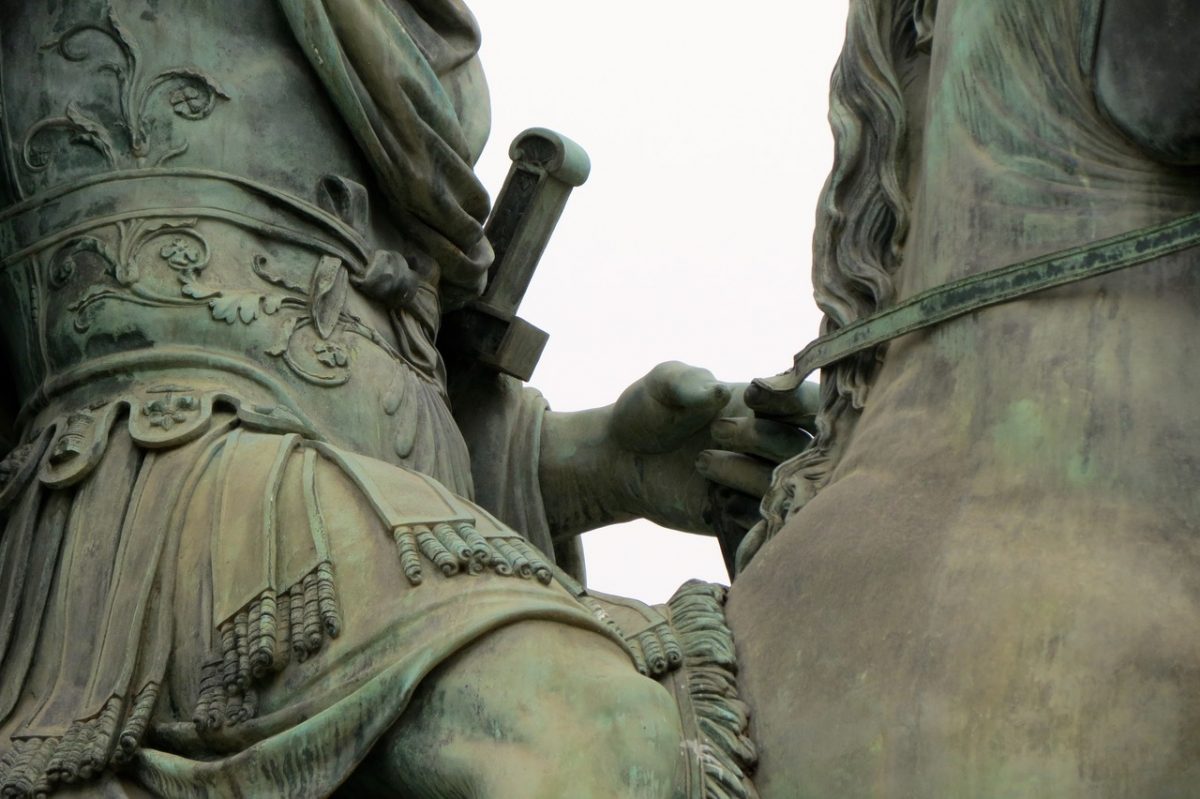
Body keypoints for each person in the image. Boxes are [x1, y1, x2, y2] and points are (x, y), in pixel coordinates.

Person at [0, 1, 804, 796]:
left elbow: (367, 371)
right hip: (151, 499)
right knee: (584, 730)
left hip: (350, 507)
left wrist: (593, 465)